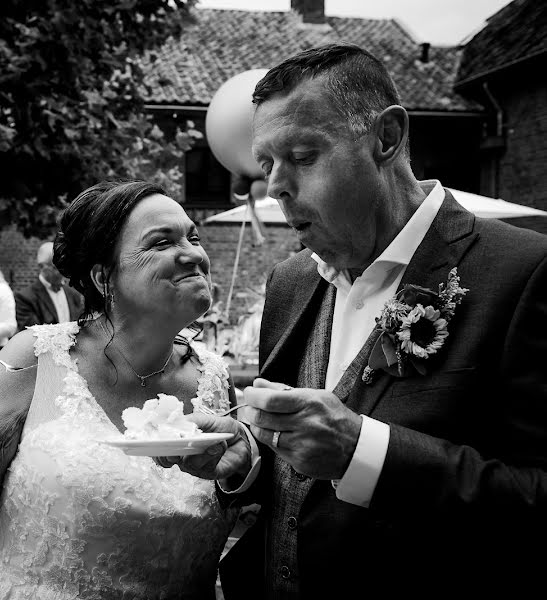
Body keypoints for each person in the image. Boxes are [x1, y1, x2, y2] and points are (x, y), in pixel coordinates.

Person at [170, 43, 547, 598]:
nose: (275, 187)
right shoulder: (290, 282)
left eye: (301, 156)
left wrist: (365, 453)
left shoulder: (524, 272)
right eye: (268, 164)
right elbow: (295, 482)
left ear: (387, 138)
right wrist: (246, 463)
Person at [0, 181, 254, 599]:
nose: (194, 254)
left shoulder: (215, 378)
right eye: (162, 242)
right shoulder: (38, 356)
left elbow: (240, 515)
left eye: (193, 237)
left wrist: (243, 474)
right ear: (103, 277)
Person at [14, 241, 84, 329]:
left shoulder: (74, 295)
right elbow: (31, 334)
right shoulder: (25, 298)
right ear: (41, 267)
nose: (63, 272)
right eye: (56, 268)